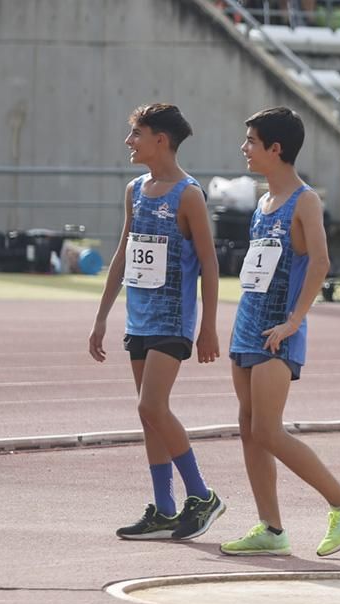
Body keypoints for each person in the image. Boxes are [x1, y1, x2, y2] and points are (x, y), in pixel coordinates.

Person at [220, 107, 340, 557]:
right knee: (249, 427)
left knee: (268, 430)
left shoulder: (304, 200)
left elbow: (321, 262)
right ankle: (271, 528)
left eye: (251, 142)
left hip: (279, 330)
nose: (244, 149)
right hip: (248, 325)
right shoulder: (263, 202)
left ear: (276, 148)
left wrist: (293, 321)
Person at [88, 104, 225, 542]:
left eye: (137, 134)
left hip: (173, 319)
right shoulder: (134, 190)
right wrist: (101, 316)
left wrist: (208, 326)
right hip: (140, 317)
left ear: (160, 140)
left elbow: (209, 263)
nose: (129, 142)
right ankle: (164, 509)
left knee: (151, 407)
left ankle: (201, 495)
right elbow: (123, 254)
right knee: (150, 416)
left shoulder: (188, 195)